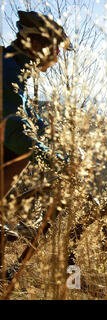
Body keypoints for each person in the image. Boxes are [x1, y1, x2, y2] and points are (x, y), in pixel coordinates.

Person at [1, 11, 73, 198]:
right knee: (21, 150)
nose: (57, 58)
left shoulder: (13, 65)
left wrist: (55, 137)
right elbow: (15, 135)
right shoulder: (9, 72)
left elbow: (26, 115)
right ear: (35, 43)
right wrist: (57, 162)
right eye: (55, 50)